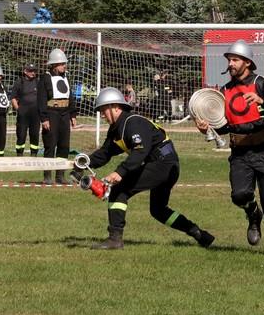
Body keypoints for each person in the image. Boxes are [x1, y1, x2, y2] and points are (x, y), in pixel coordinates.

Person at [81, 87, 215, 250]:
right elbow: (105, 153)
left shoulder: (133, 122)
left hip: (163, 164)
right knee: (158, 210)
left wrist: (120, 172)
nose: (102, 114)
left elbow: (140, 151)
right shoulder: (117, 129)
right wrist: (82, 162)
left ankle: (114, 239)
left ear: (115, 107)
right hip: (166, 165)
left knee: (119, 190)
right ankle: (199, 234)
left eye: (103, 109)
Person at [194, 39, 264, 257]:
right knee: (239, 195)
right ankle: (253, 214)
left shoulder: (261, 83)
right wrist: (207, 128)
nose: (230, 64)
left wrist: (262, 100)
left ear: (247, 62)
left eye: (235, 60)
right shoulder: (225, 91)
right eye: (229, 60)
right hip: (240, 153)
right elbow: (224, 125)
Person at [37, 48, 77, 184]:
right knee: (50, 145)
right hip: (51, 114)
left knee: (64, 145)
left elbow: (70, 96)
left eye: (65, 63)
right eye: (62, 64)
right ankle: (47, 176)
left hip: (64, 114)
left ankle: (60, 176)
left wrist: (72, 114)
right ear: (54, 65)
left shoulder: (66, 77)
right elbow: (41, 99)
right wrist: (44, 119)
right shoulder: (45, 78)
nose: (64, 66)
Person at [10, 63, 40, 157]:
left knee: (35, 135)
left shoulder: (38, 82)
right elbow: (13, 98)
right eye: (30, 71)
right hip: (23, 114)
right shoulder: (19, 82)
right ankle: (19, 154)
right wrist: (18, 109)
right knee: (21, 135)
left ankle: (34, 154)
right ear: (25, 71)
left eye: (34, 71)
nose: (33, 73)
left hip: (35, 115)